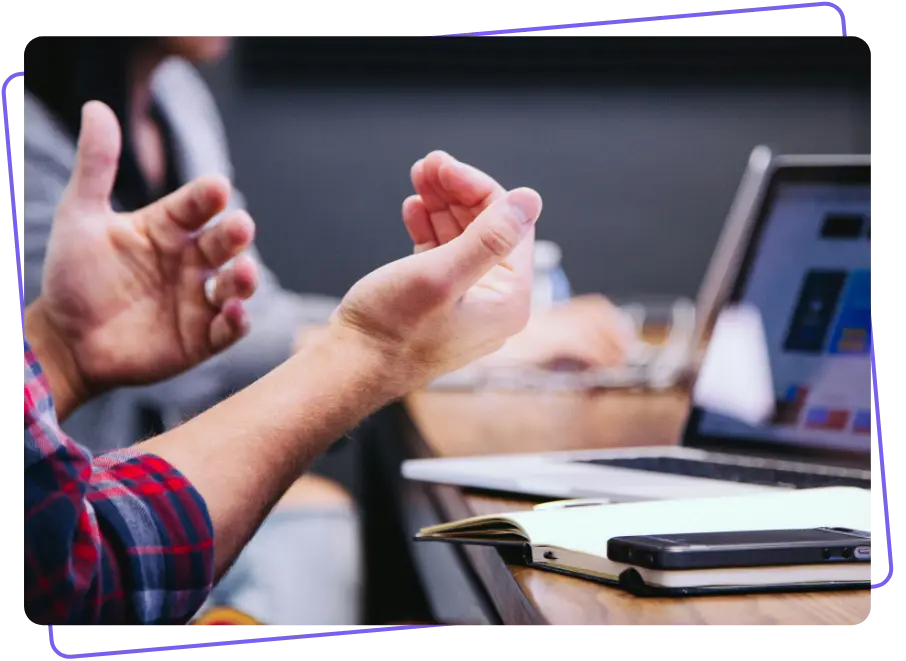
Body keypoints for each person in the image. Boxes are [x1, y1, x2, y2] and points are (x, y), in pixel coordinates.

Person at [23, 32, 632, 627]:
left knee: (326, 522)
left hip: (117, 487)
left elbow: (247, 316)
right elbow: (77, 569)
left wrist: (60, 349)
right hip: (100, 515)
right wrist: (384, 345)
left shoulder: (175, 96)